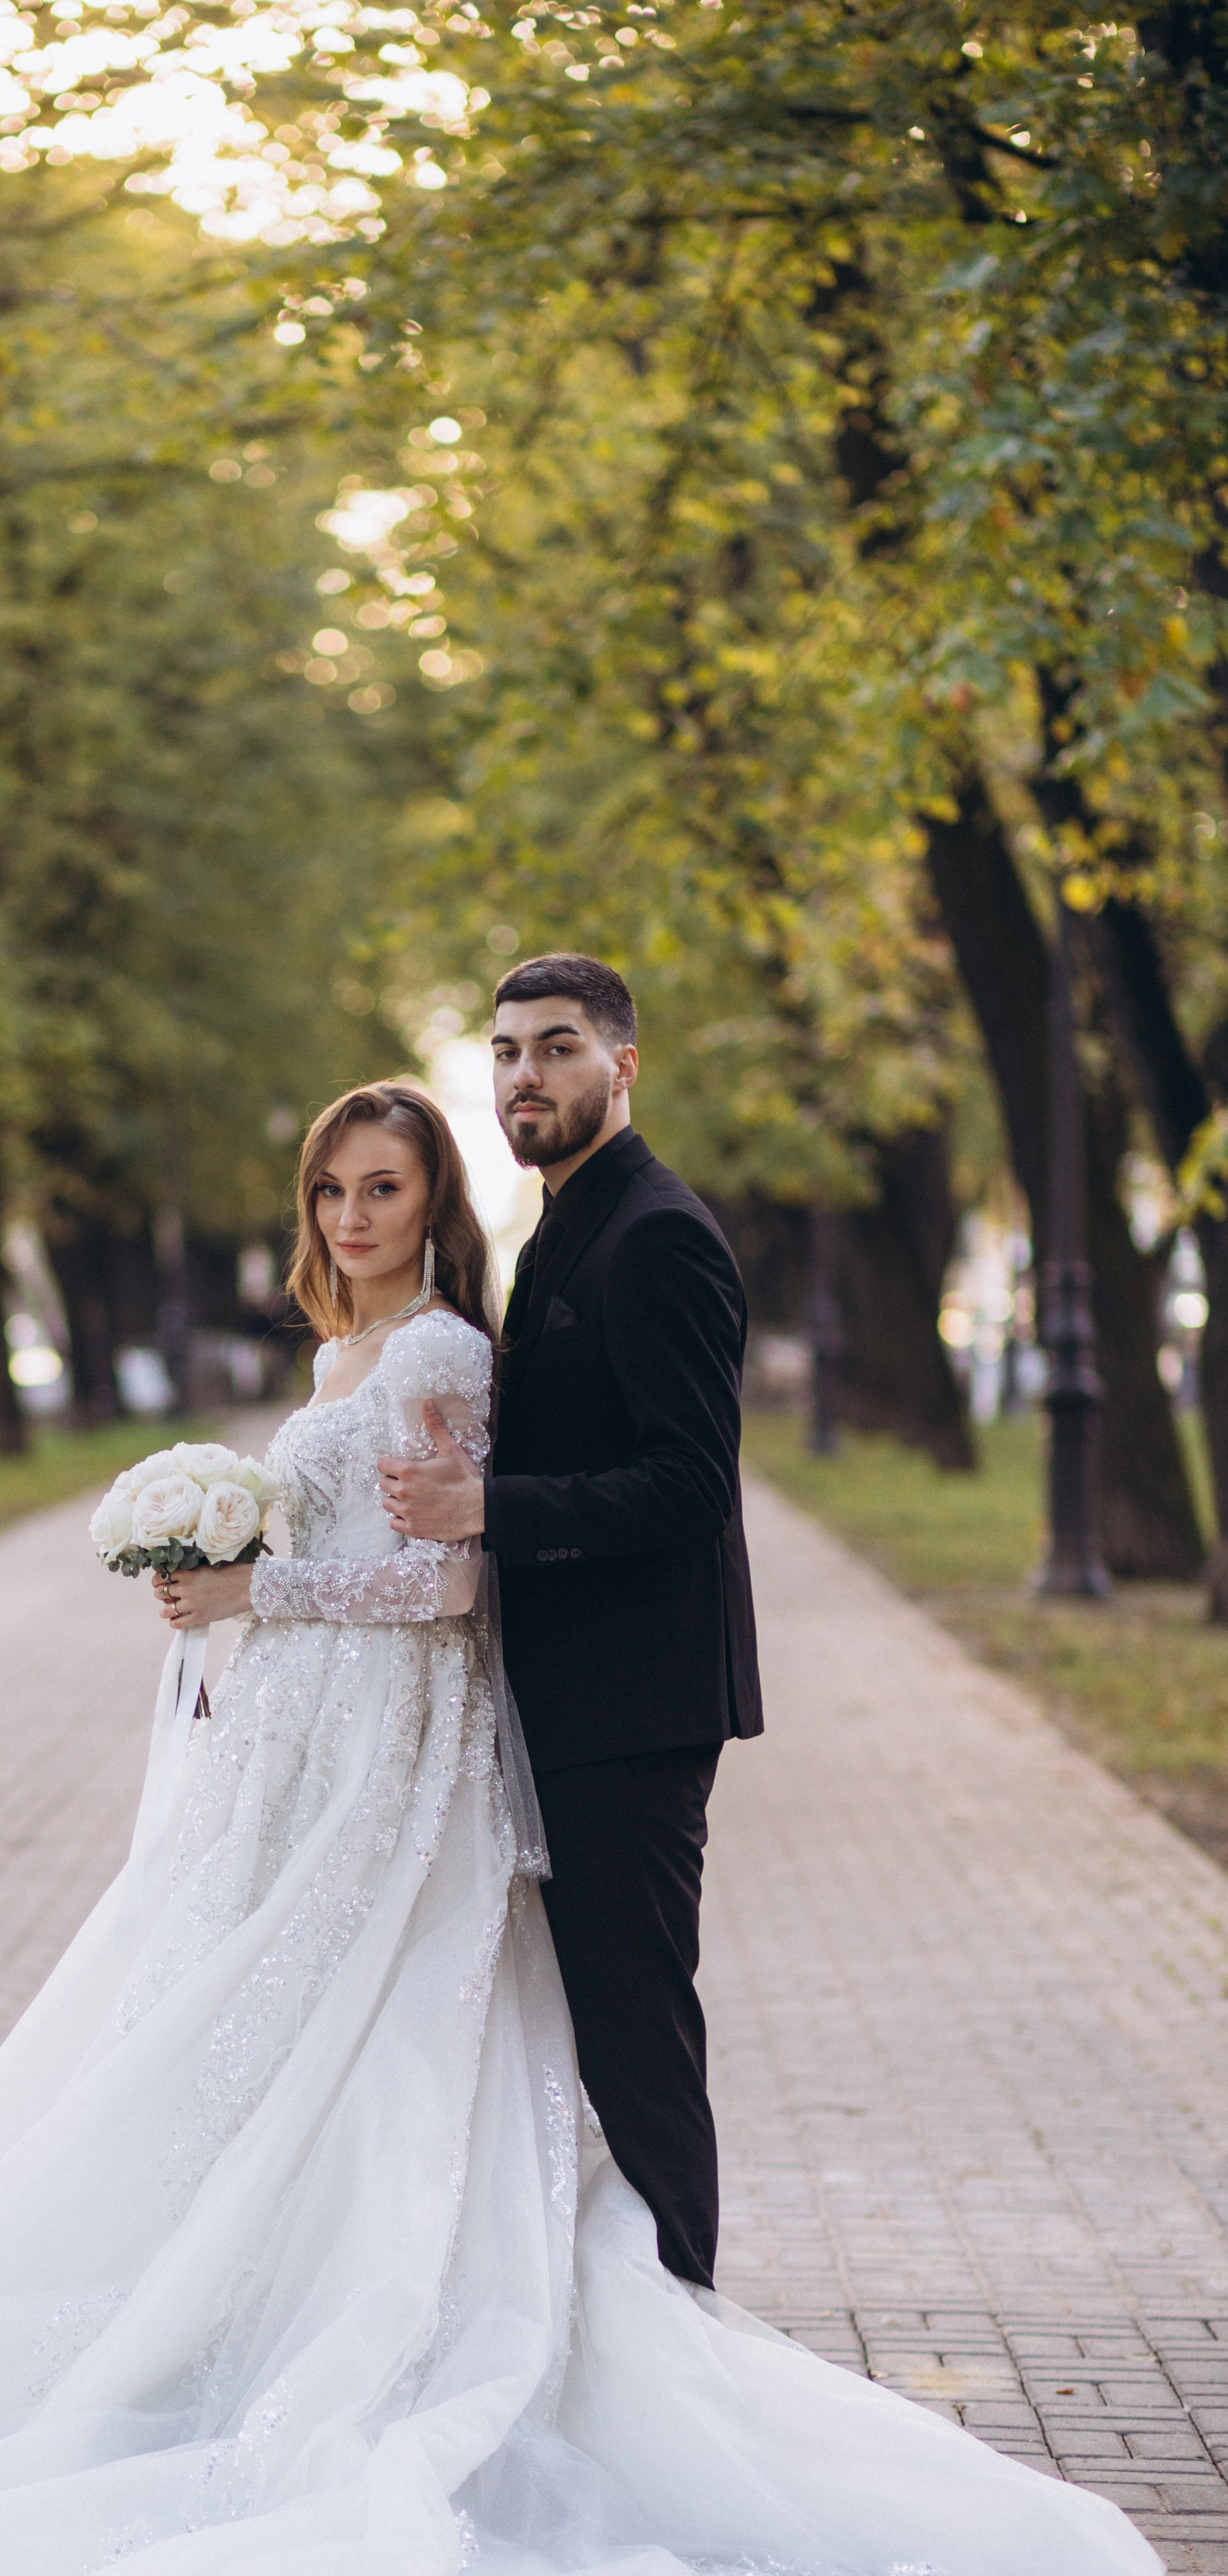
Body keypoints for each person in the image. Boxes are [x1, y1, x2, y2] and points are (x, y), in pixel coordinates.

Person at [0, 1077, 1157, 2576]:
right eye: (333, 1190)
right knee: (231, 2037)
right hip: (293, 1740)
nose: (354, 1216)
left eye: (384, 1189)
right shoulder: (331, 1361)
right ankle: (207, 2331)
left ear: (431, 1211)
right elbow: (349, 1544)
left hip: (386, 1755)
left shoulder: (438, 1354)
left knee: (354, 2037)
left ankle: (348, 2357)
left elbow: (442, 1586)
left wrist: (251, 1586)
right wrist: (209, 1596)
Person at [377, 951, 760, 2291]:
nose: (524, 1075)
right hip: (571, 1695)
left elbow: (692, 1481)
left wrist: (489, 1504)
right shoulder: (563, 1227)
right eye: (505, 1052)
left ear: (623, 1067)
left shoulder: (654, 1232)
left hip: (634, 1705)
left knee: (637, 2030)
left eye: (556, 1048)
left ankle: (685, 2318)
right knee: (596, 2024)